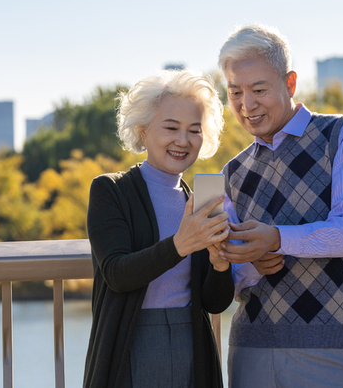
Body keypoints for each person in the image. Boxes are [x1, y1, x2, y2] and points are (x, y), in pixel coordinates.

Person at [216, 24, 343, 388]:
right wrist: (252, 262)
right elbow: (231, 276)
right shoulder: (233, 172)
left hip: (331, 351)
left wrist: (275, 239)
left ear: (290, 83)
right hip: (251, 350)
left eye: (259, 89)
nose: (247, 105)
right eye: (235, 92)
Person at [83, 69, 234, 388]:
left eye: (194, 130)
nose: (183, 140)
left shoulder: (198, 202)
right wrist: (181, 244)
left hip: (191, 341)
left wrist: (220, 265)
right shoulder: (111, 191)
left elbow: (214, 304)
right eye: (171, 127)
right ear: (143, 130)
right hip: (129, 343)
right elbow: (117, 273)